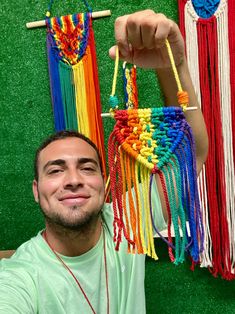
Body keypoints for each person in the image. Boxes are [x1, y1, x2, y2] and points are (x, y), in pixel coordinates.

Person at [0, 10, 208, 313]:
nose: (73, 178)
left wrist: (171, 66)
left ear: (104, 181)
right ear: (36, 190)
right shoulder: (19, 278)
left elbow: (191, 156)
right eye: (56, 170)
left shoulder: (128, 223)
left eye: (87, 167)